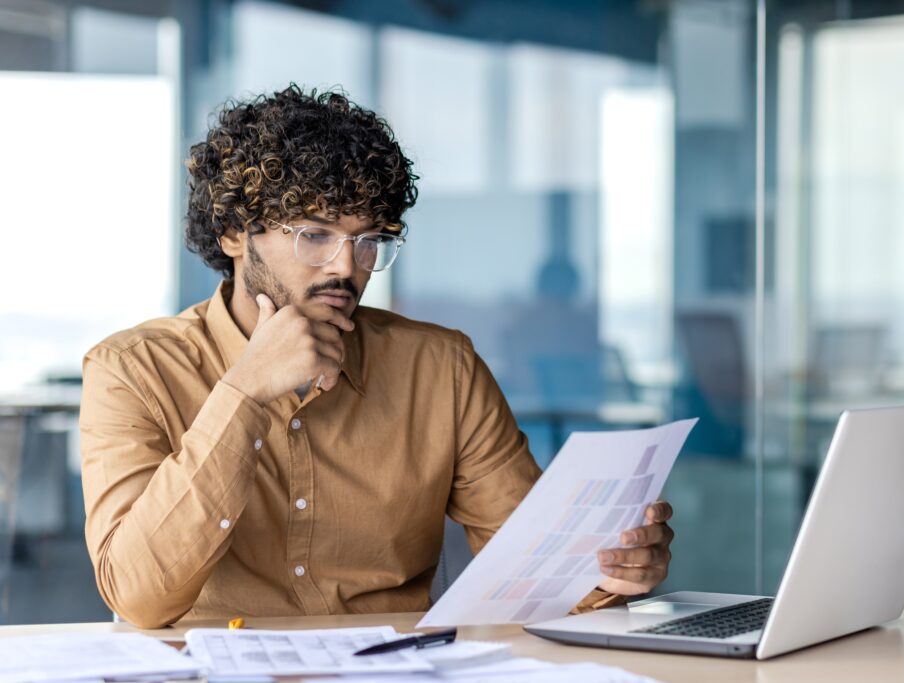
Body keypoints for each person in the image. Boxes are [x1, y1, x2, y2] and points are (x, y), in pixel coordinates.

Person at [79, 85, 675, 628]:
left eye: (368, 241)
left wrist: (609, 573)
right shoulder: (130, 371)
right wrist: (245, 392)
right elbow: (136, 595)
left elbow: (544, 571)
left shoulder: (440, 369)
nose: (346, 267)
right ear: (235, 233)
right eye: (314, 235)